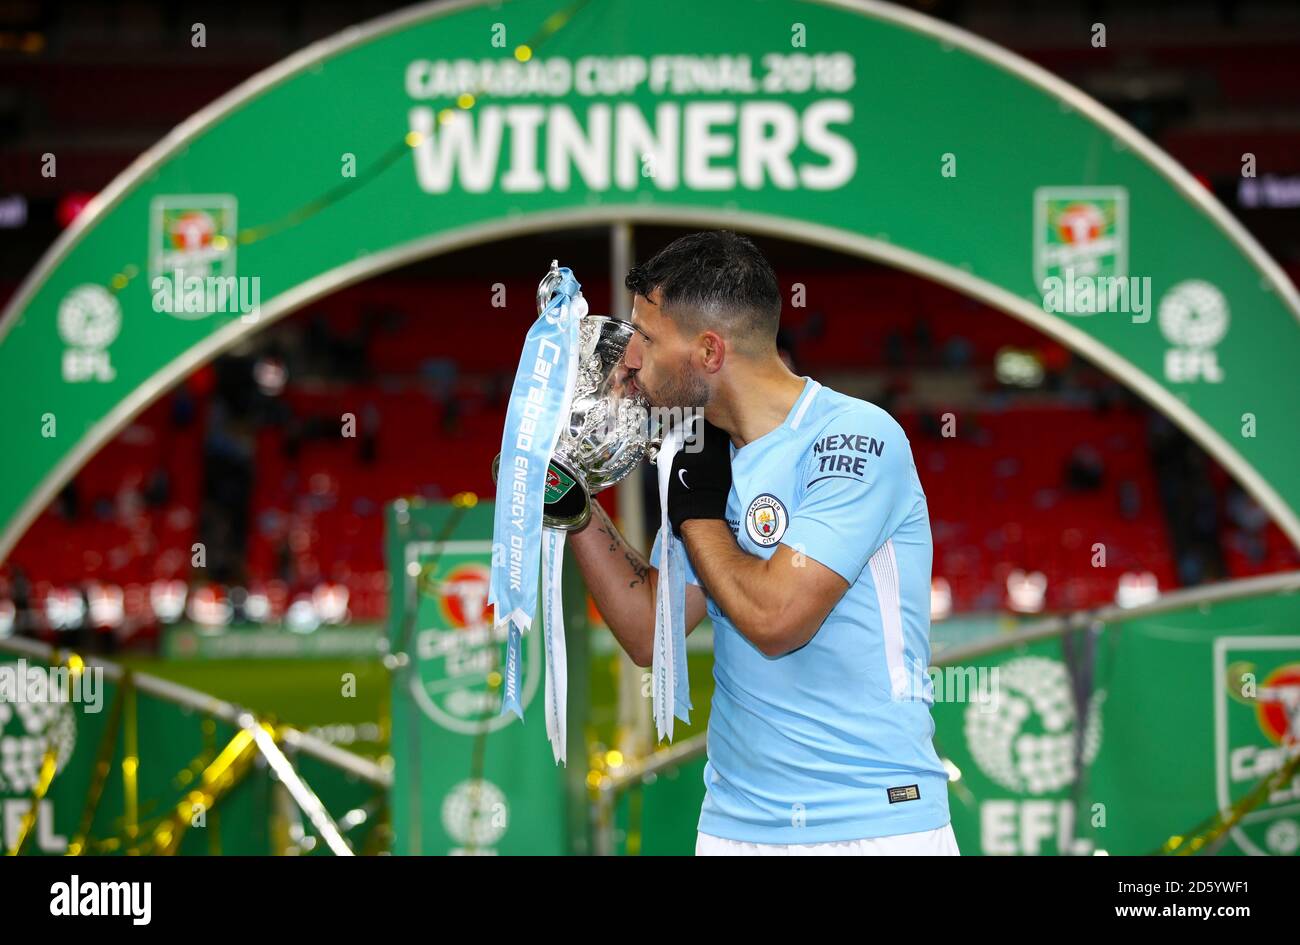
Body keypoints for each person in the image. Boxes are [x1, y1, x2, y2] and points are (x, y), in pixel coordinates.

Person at [569, 231, 957, 856]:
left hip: (873, 822)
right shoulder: (703, 453)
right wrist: (575, 509)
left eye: (646, 337)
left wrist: (696, 516)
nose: (631, 358)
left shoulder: (855, 436)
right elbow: (650, 631)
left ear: (709, 351)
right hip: (735, 827)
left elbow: (778, 619)